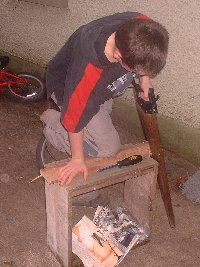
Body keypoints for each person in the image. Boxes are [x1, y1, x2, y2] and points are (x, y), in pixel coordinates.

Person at [42, 12, 169, 189]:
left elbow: (147, 35)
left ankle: (84, 123)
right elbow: (75, 117)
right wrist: (78, 159)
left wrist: (145, 79)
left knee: (99, 121)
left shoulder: (140, 27)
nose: (139, 75)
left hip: (100, 91)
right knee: (108, 148)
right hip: (69, 91)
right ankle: (54, 123)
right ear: (118, 55)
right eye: (137, 72)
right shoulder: (87, 71)